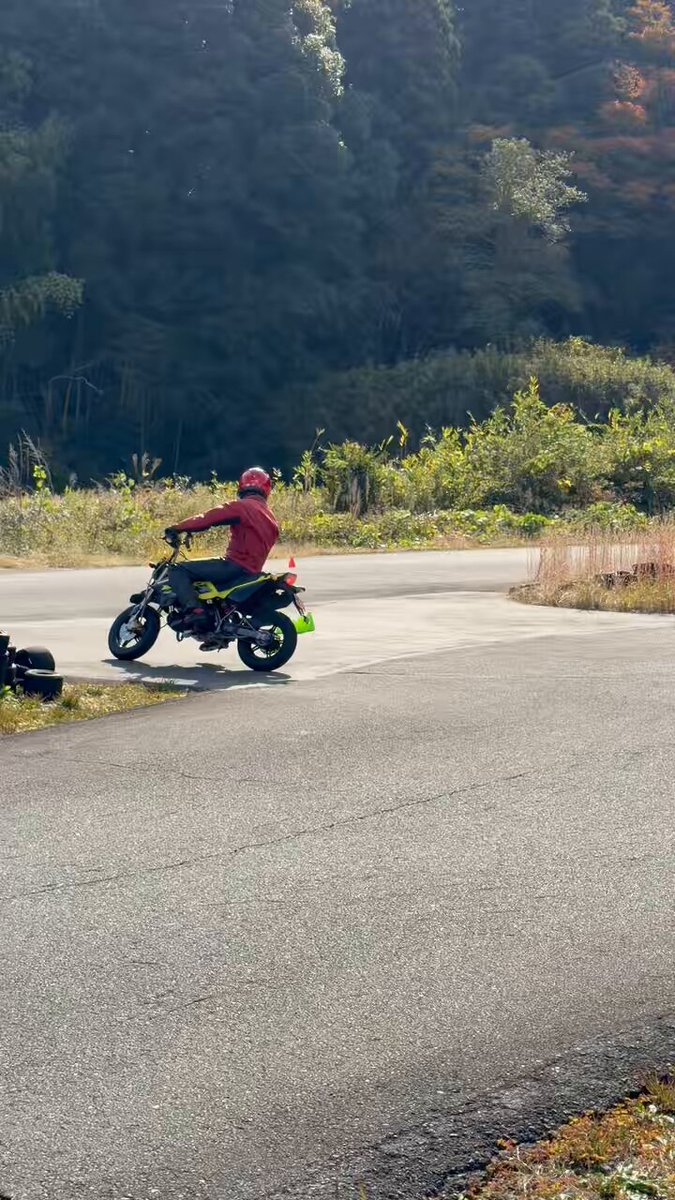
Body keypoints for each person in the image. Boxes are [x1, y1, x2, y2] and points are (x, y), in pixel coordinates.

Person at [165, 467, 279, 626]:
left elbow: (207, 518)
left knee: (177, 569)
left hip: (233, 566)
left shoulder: (243, 507)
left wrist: (179, 528)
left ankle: (195, 610)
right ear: (266, 489)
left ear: (242, 486)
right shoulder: (272, 519)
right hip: (252, 571)